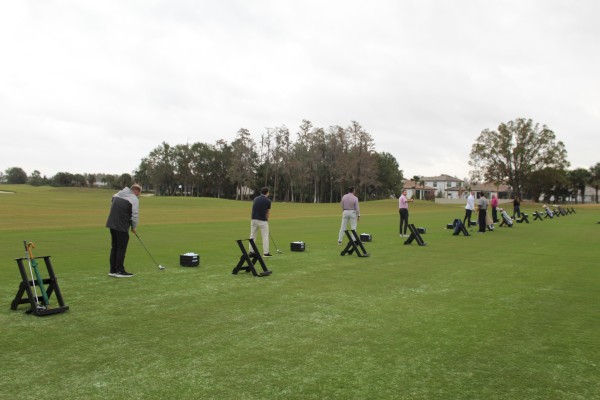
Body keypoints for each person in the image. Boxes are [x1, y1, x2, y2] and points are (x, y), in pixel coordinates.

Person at [106, 184, 142, 277]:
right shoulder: (134, 199)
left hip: (112, 224)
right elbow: (135, 215)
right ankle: (120, 271)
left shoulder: (117, 194)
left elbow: (112, 203)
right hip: (122, 226)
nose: (139, 195)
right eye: (139, 193)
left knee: (115, 247)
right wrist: (133, 227)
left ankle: (112, 270)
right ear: (136, 191)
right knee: (121, 248)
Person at [249, 187, 272, 257]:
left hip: (253, 220)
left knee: (252, 236)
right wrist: (267, 220)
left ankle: (251, 251)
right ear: (267, 192)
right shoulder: (268, 201)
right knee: (265, 236)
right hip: (262, 220)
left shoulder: (255, 199)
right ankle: (266, 253)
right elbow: (267, 213)